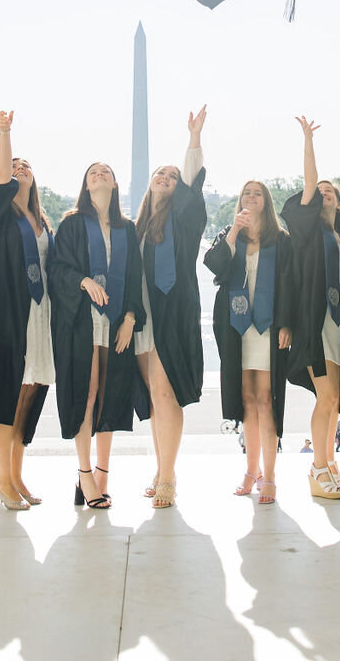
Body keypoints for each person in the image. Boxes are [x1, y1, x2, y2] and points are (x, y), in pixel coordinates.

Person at [0, 110, 54, 511]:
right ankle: (1, 480)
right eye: (14, 166)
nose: (20, 169)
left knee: (29, 396)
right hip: (7, 319)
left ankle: (15, 477)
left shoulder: (42, 221)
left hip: (38, 318)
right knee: (8, 396)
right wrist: (5, 134)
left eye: (26, 166)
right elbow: (0, 178)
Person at [49, 161, 144, 509]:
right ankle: (85, 473)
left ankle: (103, 474)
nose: (100, 175)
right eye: (93, 173)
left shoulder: (127, 229)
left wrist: (131, 318)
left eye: (106, 171)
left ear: (116, 184)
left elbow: (135, 277)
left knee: (110, 396)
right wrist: (83, 281)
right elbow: (57, 268)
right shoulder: (73, 224)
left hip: (117, 322)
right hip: (82, 322)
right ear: (86, 187)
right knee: (86, 395)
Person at [281, 117, 340, 500]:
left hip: (339, 328)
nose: (324, 193)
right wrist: (309, 143)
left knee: (333, 400)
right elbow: (309, 185)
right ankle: (317, 467)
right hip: (314, 324)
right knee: (327, 396)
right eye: (320, 190)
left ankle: (329, 462)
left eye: (331, 191)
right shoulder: (308, 233)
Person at [133, 106, 208, 509]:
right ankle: (164, 468)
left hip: (171, 315)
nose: (166, 178)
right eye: (160, 174)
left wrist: (193, 140)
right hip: (143, 317)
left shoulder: (183, 219)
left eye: (172, 176)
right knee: (153, 398)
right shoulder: (138, 225)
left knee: (166, 395)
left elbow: (193, 189)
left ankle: (166, 477)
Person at [203, 180, 293, 505]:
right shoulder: (231, 234)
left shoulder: (280, 241)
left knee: (266, 400)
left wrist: (287, 324)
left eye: (257, 193)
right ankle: (250, 469)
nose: (251, 198)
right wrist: (232, 233)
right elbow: (214, 265)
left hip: (268, 330)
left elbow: (289, 284)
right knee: (247, 399)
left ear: (266, 202)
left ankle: (269, 475)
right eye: (246, 193)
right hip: (236, 329)